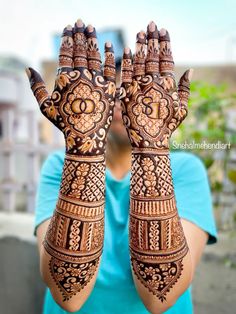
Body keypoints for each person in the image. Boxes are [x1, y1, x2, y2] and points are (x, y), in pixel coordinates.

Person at [27, 19, 218, 314]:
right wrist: (84, 148)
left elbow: (160, 296)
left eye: (129, 90)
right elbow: (69, 294)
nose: (118, 98)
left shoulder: (185, 169)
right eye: (107, 91)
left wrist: (151, 146)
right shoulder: (59, 164)